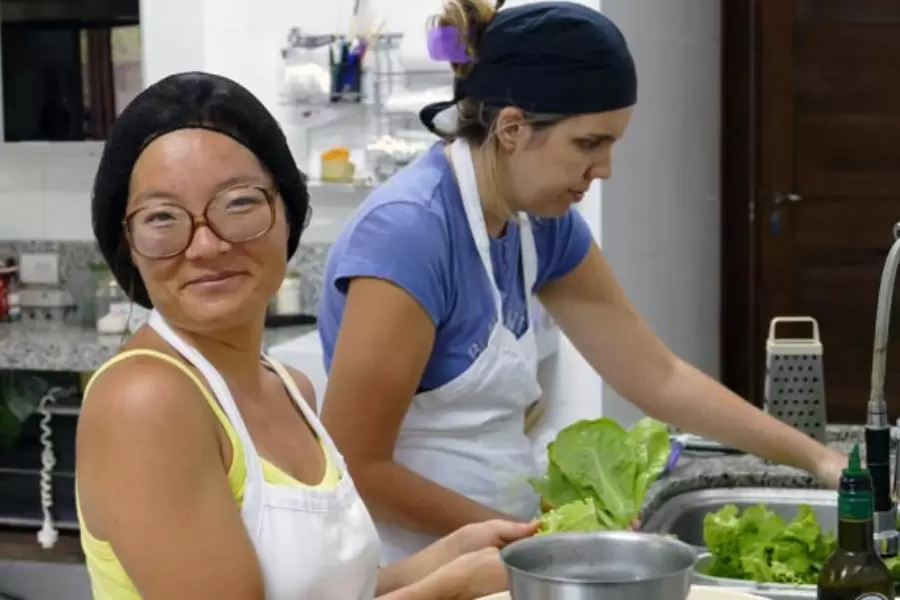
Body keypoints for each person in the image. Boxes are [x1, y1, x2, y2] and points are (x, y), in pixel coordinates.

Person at [316, 0, 849, 565]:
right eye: (590, 144)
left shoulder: (541, 227)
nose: (605, 169)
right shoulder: (408, 236)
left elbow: (659, 376)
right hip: (408, 564)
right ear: (513, 128)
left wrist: (818, 461)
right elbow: (357, 462)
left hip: (505, 550)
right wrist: (539, 541)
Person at [74, 71, 535, 600]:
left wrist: (451, 553)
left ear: (287, 213)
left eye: (239, 203)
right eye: (161, 217)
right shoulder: (145, 403)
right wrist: (446, 589)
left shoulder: (288, 386)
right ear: (127, 242)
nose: (205, 245)